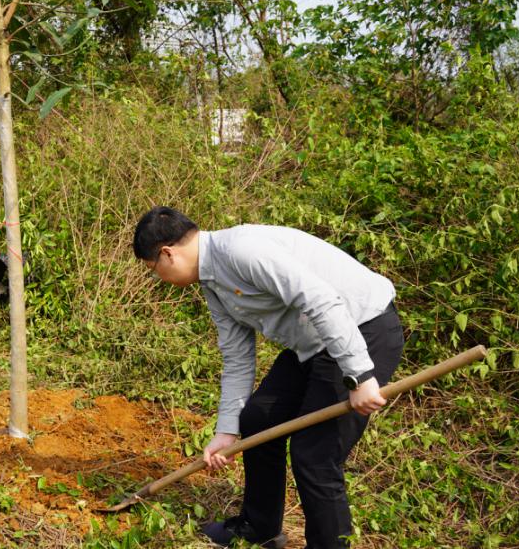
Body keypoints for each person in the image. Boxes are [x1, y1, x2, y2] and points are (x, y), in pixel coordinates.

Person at [132, 207, 404, 549]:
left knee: (314, 455)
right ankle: (259, 528)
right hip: (313, 344)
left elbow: (322, 301)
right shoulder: (212, 283)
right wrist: (226, 431)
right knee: (258, 420)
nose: (159, 278)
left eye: (153, 270)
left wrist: (359, 374)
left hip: (363, 329)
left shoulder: (243, 251)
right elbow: (237, 355)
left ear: (167, 254)